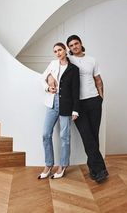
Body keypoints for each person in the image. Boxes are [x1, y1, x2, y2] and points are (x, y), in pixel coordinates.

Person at [66, 34, 109, 183]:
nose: (74, 47)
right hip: (77, 104)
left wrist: (100, 98)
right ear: (69, 48)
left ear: (81, 43)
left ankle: (94, 170)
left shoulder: (92, 60)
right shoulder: (68, 60)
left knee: (94, 136)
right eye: (71, 46)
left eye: (76, 44)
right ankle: (100, 170)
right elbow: (55, 71)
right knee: (87, 136)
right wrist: (49, 80)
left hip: (94, 101)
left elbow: (98, 80)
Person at [38, 42, 80, 179]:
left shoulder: (73, 69)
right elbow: (42, 78)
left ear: (65, 50)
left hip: (66, 106)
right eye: (55, 51)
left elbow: (75, 91)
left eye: (60, 50)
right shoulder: (52, 64)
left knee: (64, 137)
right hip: (52, 104)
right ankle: (49, 164)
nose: (58, 53)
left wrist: (75, 110)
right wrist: (48, 88)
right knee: (45, 134)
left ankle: (63, 165)